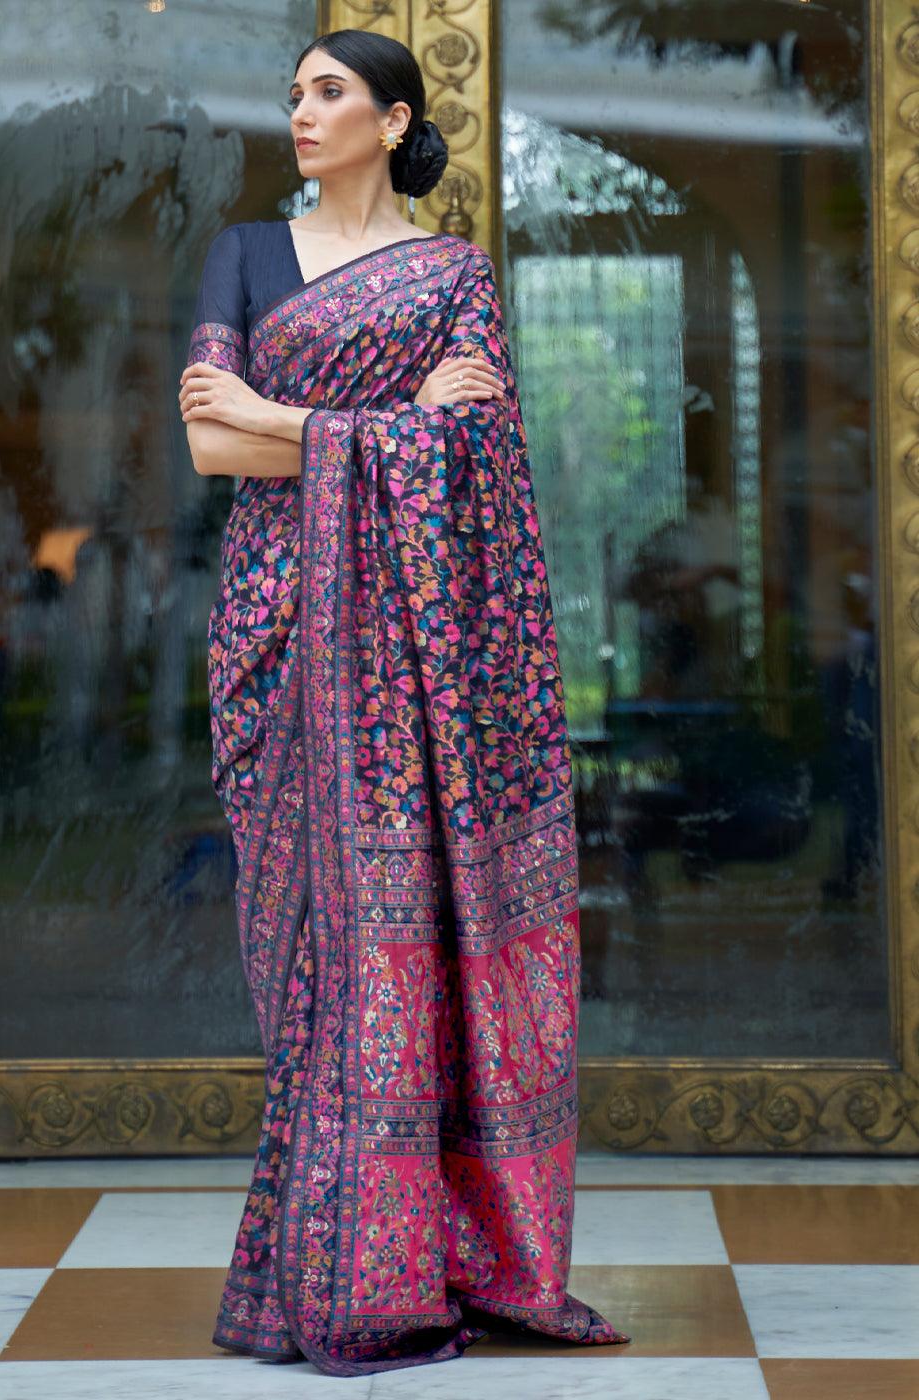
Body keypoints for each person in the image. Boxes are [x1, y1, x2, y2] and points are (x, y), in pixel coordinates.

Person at [178, 25, 630, 1379]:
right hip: (277, 635)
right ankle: (323, 1266)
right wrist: (385, 424)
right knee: (308, 962)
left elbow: (477, 455)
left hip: (422, 665)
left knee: (405, 951)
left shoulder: (454, 276)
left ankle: (405, 1269)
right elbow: (207, 442)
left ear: (392, 119)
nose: (301, 112)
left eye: (329, 93)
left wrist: (288, 419)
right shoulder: (245, 255)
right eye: (294, 93)